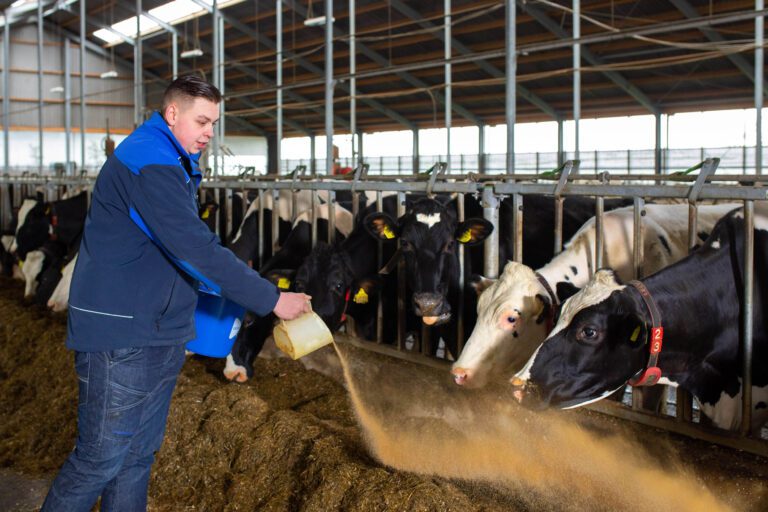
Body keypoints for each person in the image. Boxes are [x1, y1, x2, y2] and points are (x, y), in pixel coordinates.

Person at [41, 75, 311, 511]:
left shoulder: (170, 158)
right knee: (99, 460)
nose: (209, 132)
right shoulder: (150, 162)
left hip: (157, 329)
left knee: (135, 458)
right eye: (202, 121)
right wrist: (273, 298)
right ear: (172, 114)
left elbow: (179, 250)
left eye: (214, 123)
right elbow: (191, 245)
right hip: (121, 337)